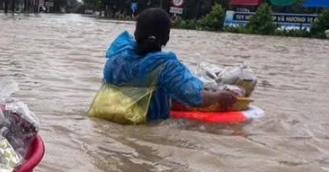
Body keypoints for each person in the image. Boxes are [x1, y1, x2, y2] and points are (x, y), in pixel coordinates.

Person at [103, 7, 241, 120]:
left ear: (136, 33)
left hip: (114, 119)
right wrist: (219, 97)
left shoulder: (115, 59)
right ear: (167, 38)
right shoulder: (166, 66)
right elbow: (195, 96)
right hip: (150, 125)